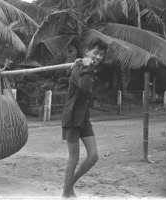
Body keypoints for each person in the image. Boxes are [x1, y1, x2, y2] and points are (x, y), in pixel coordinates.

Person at [61, 38, 108, 197]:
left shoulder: (88, 68)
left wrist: (88, 65)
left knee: (93, 156)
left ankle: (68, 186)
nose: (99, 57)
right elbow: (86, 87)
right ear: (87, 52)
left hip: (84, 119)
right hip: (72, 117)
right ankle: (66, 194)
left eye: (101, 54)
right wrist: (85, 65)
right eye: (96, 53)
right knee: (74, 158)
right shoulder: (78, 69)